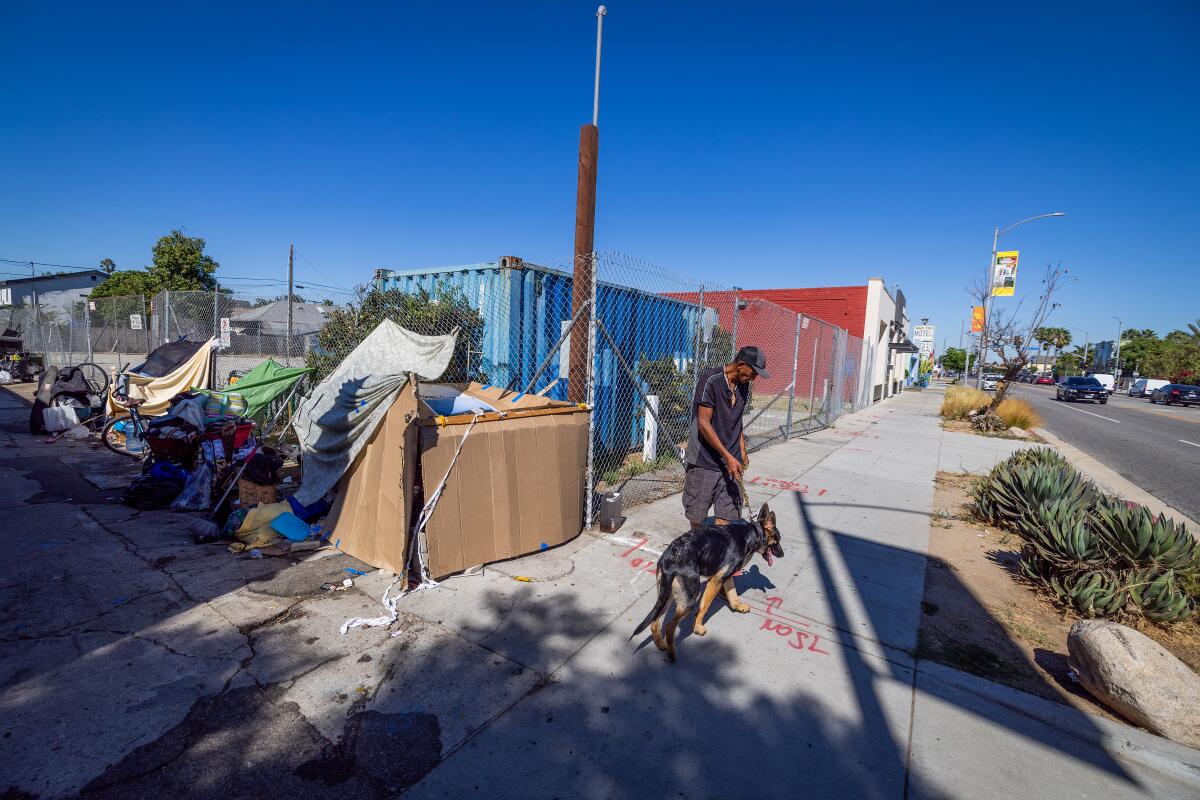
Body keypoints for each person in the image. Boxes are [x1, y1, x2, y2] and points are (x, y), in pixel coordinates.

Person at [682, 345, 769, 528]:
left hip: (731, 462)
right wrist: (728, 456)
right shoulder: (711, 381)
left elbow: (737, 421)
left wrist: (742, 450)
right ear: (741, 364)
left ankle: (717, 555)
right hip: (705, 459)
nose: (754, 378)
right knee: (697, 518)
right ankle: (697, 553)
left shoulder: (743, 386)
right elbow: (704, 424)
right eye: (753, 373)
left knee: (726, 517)